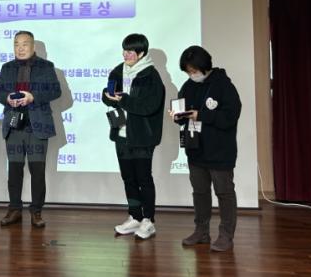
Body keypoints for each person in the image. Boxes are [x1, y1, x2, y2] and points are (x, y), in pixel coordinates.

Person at [170, 45, 241, 252]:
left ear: (205, 66)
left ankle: (226, 235)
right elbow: (181, 112)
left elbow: (230, 117)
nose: (191, 75)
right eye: (188, 72)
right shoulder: (188, 86)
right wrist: (177, 116)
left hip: (220, 151)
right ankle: (201, 231)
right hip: (195, 149)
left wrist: (201, 115)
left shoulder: (223, 85)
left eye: (193, 71)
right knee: (200, 192)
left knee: (224, 193)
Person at [0, 31, 61, 228]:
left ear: (33, 47)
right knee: (14, 170)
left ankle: (36, 211)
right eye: (16, 44)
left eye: (24, 44)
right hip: (14, 124)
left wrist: (33, 97)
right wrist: (6, 98)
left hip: (37, 125)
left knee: (37, 171)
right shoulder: (7, 67)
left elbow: (55, 91)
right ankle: (14, 209)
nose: (20, 48)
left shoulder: (46, 66)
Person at [102, 33, 165, 239]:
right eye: (124, 50)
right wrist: (108, 97)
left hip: (143, 136)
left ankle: (148, 220)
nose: (126, 55)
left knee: (143, 178)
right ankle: (135, 216)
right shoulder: (117, 71)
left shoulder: (151, 76)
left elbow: (149, 107)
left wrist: (123, 100)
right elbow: (109, 94)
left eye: (130, 52)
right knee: (128, 178)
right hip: (121, 134)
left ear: (142, 53)